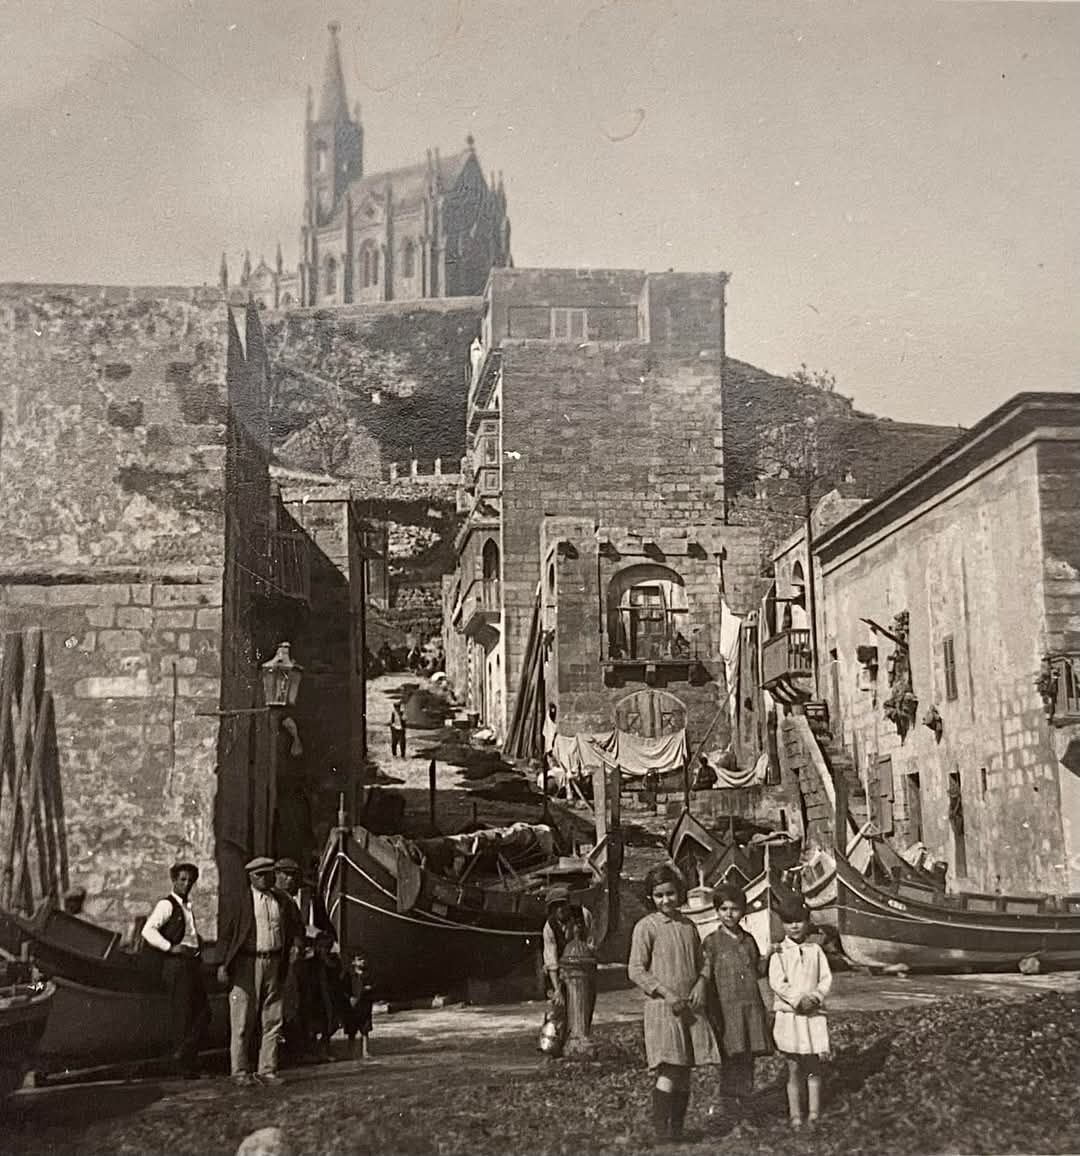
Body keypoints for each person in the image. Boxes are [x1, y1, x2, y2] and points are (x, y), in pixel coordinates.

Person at [628, 863, 720, 1144]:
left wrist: (702, 983)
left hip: (690, 1009)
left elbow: (703, 961)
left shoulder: (688, 924)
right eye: (659, 895)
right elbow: (636, 970)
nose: (666, 900)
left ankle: (677, 1131)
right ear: (651, 898)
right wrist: (667, 994)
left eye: (670, 893)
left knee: (684, 1071)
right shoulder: (647, 927)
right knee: (669, 1068)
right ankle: (662, 1133)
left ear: (679, 893)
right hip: (664, 1009)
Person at [216, 857, 303, 1087]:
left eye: (269, 874)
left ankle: (268, 1070)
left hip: (274, 962)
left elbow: (296, 928)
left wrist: (295, 945)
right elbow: (226, 936)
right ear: (250, 877)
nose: (266, 879)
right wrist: (222, 965)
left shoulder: (282, 901)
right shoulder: (239, 902)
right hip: (246, 963)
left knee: (273, 1017)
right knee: (242, 1019)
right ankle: (240, 1071)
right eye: (260, 875)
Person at [701, 882, 772, 1103]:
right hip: (726, 1008)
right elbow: (706, 977)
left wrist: (770, 956)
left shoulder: (749, 940)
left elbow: (758, 972)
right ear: (717, 911)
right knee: (730, 1054)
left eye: (734, 909)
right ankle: (728, 1102)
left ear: (743, 911)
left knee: (748, 1055)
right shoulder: (711, 942)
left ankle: (746, 1098)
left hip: (750, 1006)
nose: (729, 914)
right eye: (724, 909)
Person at [768, 898, 832, 1131]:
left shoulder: (815, 950)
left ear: (807, 923)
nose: (794, 926)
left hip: (813, 1015)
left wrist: (815, 997)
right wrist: (797, 1000)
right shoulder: (779, 951)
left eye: (799, 921)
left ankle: (814, 1113)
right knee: (794, 1068)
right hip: (791, 1016)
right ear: (782, 924)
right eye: (788, 922)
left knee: (814, 1065)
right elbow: (777, 982)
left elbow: (825, 978)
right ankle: (796, 1114)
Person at [141, 862, 210, 1078]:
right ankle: (183, 1065)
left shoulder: (187, 906)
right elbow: (148, 930)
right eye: (182, 880)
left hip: (191, 964)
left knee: (202, 1013)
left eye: (190, 880)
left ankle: (185, 1058)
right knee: (184, 1015)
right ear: (174, 881)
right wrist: (170, 947)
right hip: (177, 965)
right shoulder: (166, 904)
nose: (186, 884)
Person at [542, 885, 595, 1016]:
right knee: (557, 1011)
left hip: (583, 968)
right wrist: (557, 990)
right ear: (551, 909)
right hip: (560, 969)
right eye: (555, 906)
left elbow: (591, 942)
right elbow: (551, 960)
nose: (560, 909)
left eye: (563, 904)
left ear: (569, 904)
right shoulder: (549, 927)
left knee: (584, 1009)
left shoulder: (584, 914)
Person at [345, 952, 376, 1059]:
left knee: (365, 1030)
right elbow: (345, 989)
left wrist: (369, 989)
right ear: (353, 962)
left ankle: (365, 1051)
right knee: (351, 1031)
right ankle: (351, 1052)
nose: (362, 961)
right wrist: (349, 998)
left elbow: (373, 986)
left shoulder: (368, 975)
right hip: (352, 1007)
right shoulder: (349, 976)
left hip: (365, 1006)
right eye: (359, 959)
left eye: (363, 959)